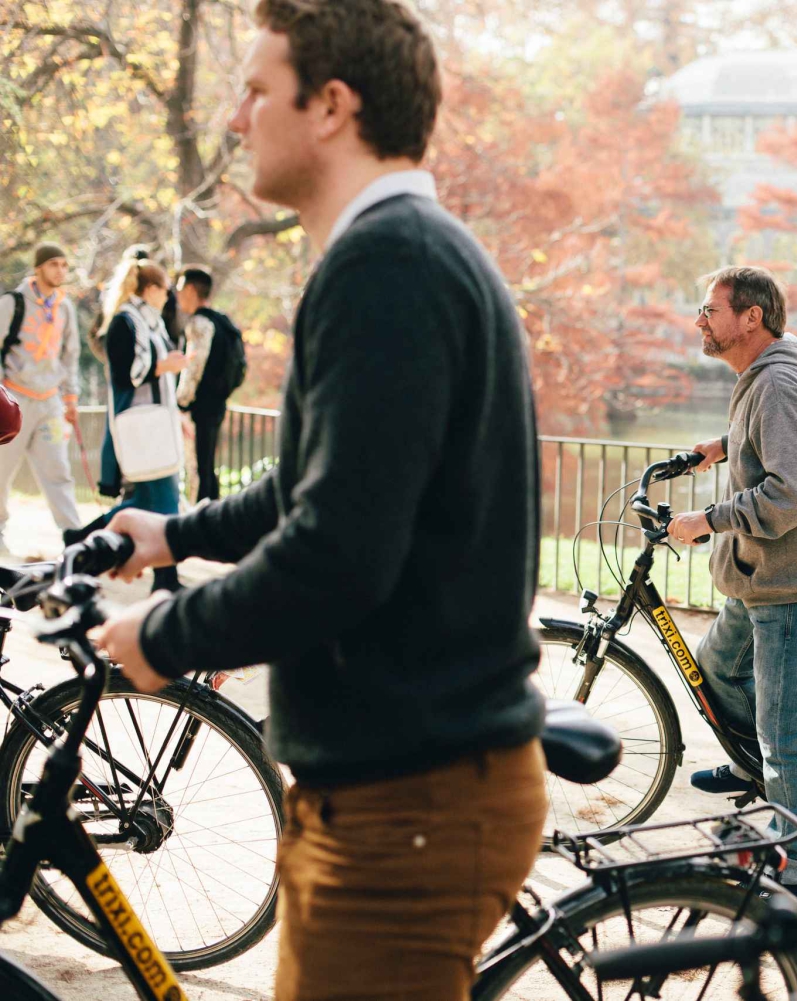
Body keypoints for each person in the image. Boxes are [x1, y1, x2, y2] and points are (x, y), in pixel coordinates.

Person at [93, 2, 547, 998]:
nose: (233, 116)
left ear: (332, 105)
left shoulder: (388, 266)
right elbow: (315, 482)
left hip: (407, 801)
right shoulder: (403, 251)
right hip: (400, 789)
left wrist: (163, 637)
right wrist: (173, 533)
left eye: (257, 89)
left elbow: (338, 552)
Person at [666, 265, 797, 904]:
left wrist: (706, 521)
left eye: (709, 310)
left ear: (751, 318)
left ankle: (793, 877)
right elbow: (773, 445)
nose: (699, 320)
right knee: (718, 667)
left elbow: (791, 492)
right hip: (763, 579)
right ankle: (756, 765)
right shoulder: (767, 378)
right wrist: (721, 448)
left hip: (793, 584)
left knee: (788, 736)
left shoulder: (777, 385)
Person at [66, 259, 188, 591]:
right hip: (141, 428)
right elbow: (125, 374)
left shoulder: (148, 322)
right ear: (150, 289)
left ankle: (78, 543)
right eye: (166, 289)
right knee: (164, 503)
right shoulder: (126, 321)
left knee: (147, 503)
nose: (169, 296)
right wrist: (165, 366)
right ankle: (166, 581)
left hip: (155, 425)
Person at [0, 243, 84, 553]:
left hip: (50, 401)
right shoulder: (13, 303)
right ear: (38, 268)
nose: (60, 270)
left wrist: (71, 397)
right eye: (54, 264)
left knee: (58, 470)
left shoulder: (65, 307)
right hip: (14, 399)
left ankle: (74, 536)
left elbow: (70, 355)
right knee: (1, 471)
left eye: (64, 265)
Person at [175, 267, 245, 502]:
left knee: (198, 468)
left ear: (192, 290)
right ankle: (212, 516)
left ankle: (200, 520)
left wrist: (180, 403)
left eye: (181, 289)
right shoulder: (222, 321)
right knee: (207, 465)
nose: (177, 295)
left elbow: (193, 368)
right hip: (217, 402)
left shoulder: (199, 323)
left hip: (199, 407)